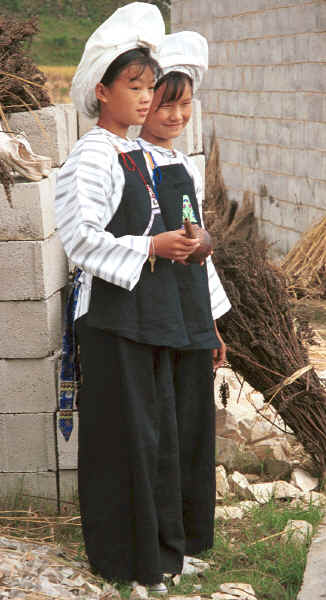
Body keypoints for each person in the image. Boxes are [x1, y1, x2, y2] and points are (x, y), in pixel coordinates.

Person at [55, 5, 230, 591]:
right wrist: (150, 247)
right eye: (139, 87)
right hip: (115, 319)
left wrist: (208, 319)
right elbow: (80, 240)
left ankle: (164, 553)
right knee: (128, 444)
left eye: (150, 87)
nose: (150, 100)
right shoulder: (94, 155)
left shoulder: (147, 157)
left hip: (161, 319)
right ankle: (127, 561)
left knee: (165, 439)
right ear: (102, 92)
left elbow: (182, 240)